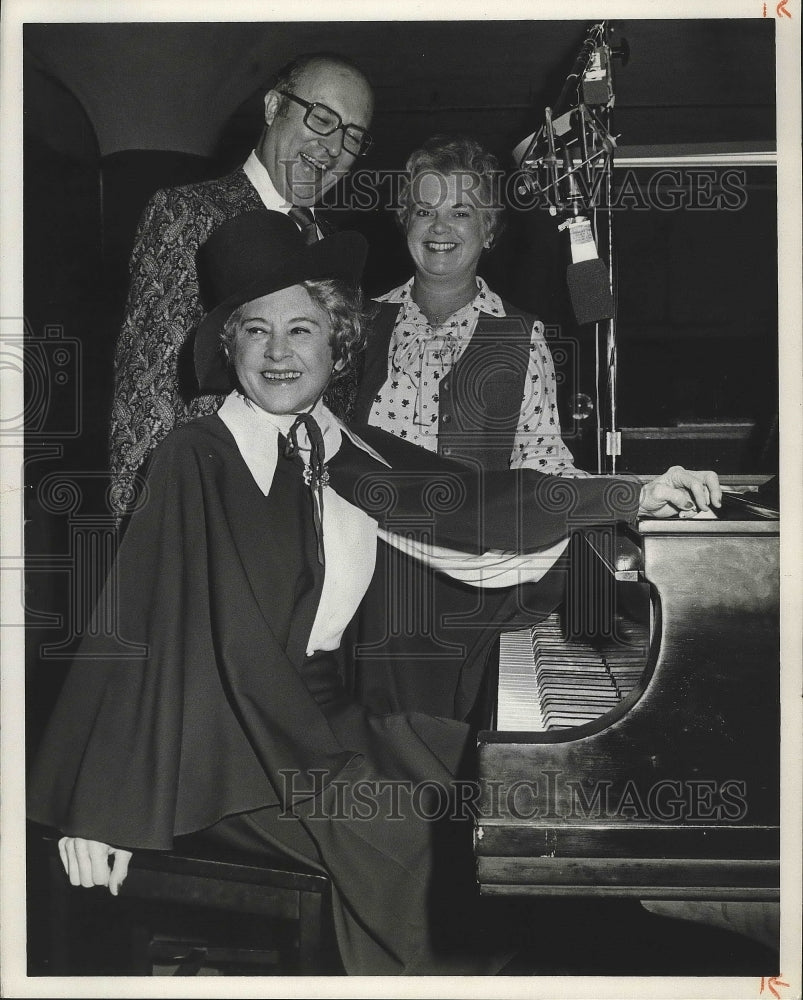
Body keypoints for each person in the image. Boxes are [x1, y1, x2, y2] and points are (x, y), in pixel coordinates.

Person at [28, 211, 722, 976]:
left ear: (337, 339)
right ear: (227, 347)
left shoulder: (336, 441)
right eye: (255, 331)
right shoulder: (196, 456)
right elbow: (136, 619)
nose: (279, 353)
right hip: (232, 756)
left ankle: (599, 956)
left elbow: (471, 501)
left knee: (503, 784)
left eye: (301, 329)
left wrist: (632, 494)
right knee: (421, 841)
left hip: (330, 722)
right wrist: (98, 809)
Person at [108, 51, 374, 520]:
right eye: (322, 118)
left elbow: (338, 406)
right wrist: (141, 548)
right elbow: (143, 399)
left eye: (352, 136)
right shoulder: (187, 215)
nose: (332, 147)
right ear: (274, 107)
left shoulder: (336, 248)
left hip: (305, 525)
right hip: (205, 514)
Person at [352, 133, 582, 476]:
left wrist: (629, 494)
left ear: (488, 230)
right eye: (424, 211)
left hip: (475, 530)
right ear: (406, 222)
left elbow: (544, 464)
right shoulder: (360, 322)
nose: (440, 226)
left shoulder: (522, 336)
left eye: (460, 212)